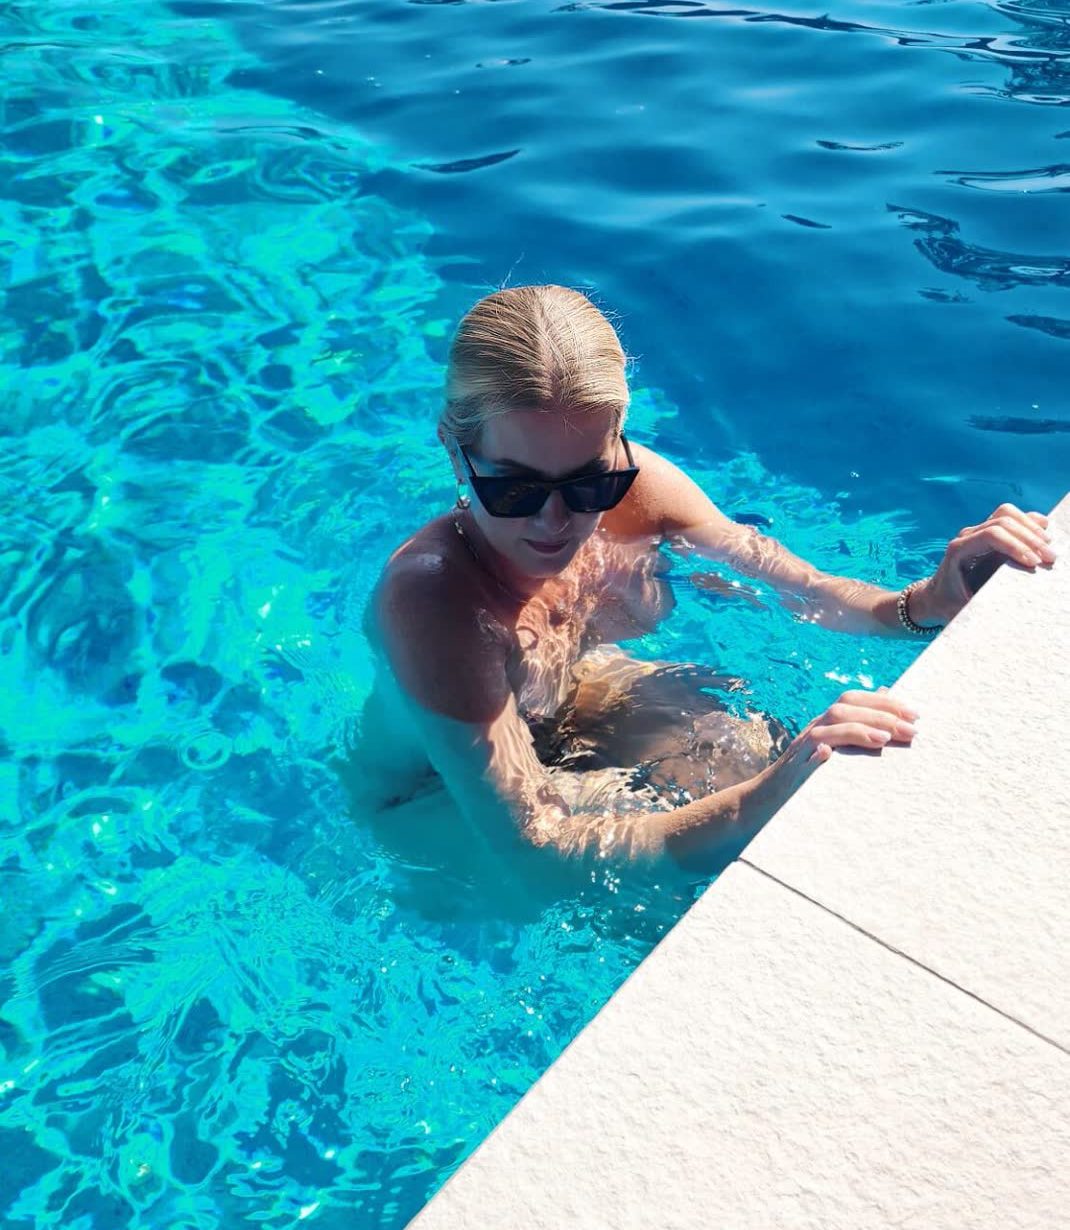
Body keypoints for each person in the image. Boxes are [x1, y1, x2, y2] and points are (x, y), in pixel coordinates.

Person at [341, 284, 1056, 908]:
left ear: (616, 443)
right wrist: (761, 799)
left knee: (750, 745)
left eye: (589, 482)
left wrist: (927, 601)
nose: (556, 520)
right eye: (515, 488)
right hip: (437, 799)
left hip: (569, 702)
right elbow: (540, 858)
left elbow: (802, 590)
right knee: (684, 883)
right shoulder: (435, 602)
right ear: (453, 448)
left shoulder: (638, 488)